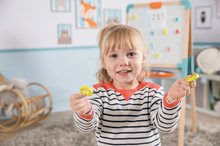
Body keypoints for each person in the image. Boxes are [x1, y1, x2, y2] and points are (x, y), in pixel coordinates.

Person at [70, 24, 196, 146]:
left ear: (143, 58)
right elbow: (86, 128)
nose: (123, 62)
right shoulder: (97, 93)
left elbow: (166, 126)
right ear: (104, 62)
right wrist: (84, 111)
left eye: (131, 54)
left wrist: (171, 99)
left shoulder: (153, 92)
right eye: (114, 56)